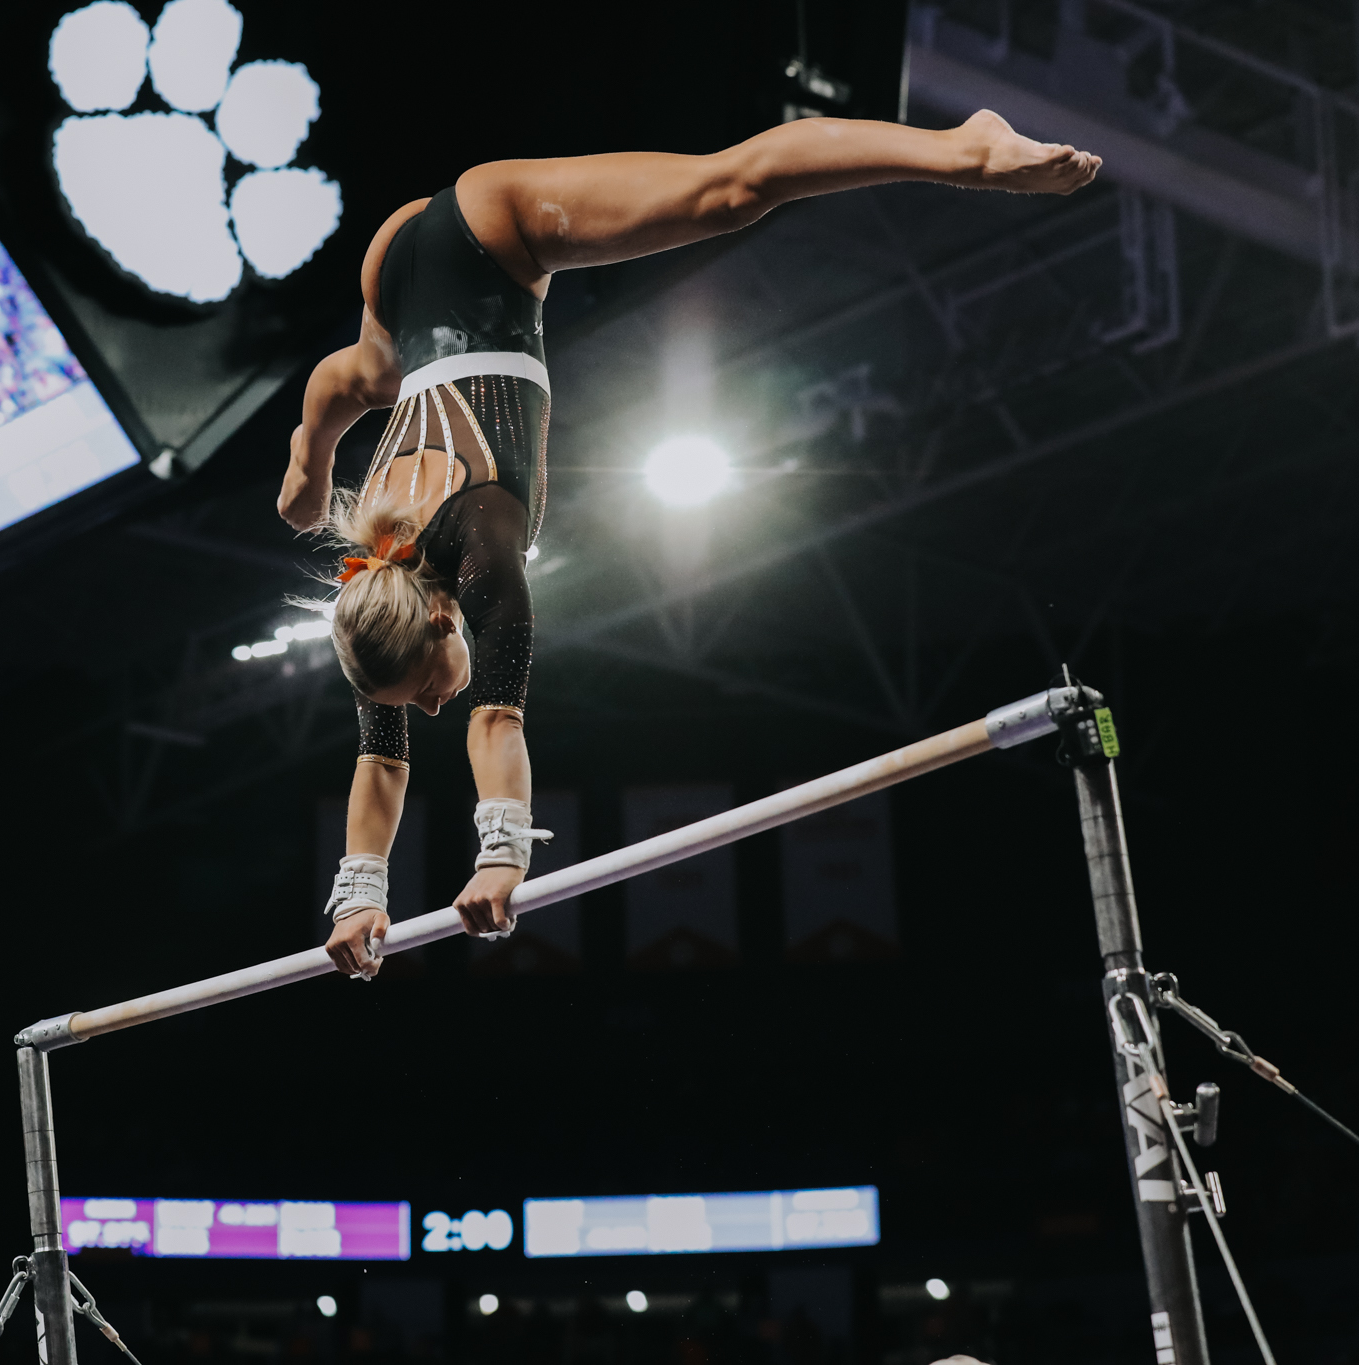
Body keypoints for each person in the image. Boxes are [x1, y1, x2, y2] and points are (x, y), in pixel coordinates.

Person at [277, 110, 1100, 979]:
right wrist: (359, 892)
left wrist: (502, 853)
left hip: (490, 232)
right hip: (395, 276)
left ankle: (967, 148)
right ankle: (307, 466)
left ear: (446, 618)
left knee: (729, 192)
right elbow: (380, 762)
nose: (428, 708)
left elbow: (495, 717)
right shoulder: (374, 608)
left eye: (421, 692)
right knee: (362, 376)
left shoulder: (485, 539)